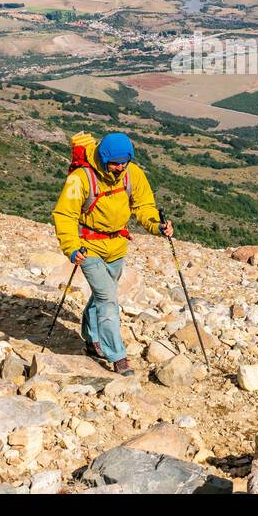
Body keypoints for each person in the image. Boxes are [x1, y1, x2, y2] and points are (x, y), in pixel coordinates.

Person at [52, 131, 172, 376]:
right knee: (108, 299)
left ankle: (90, 336)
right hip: (89, 247)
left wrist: (157, 226)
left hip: (117, 246)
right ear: (103, 158)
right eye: (115, 163)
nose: (119, 167)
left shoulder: (132, 174)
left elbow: (143, 206)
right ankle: (117, 356)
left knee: (101, 295)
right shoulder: (81, 178)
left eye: (124, 162)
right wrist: (71, 248)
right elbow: (65, 215)